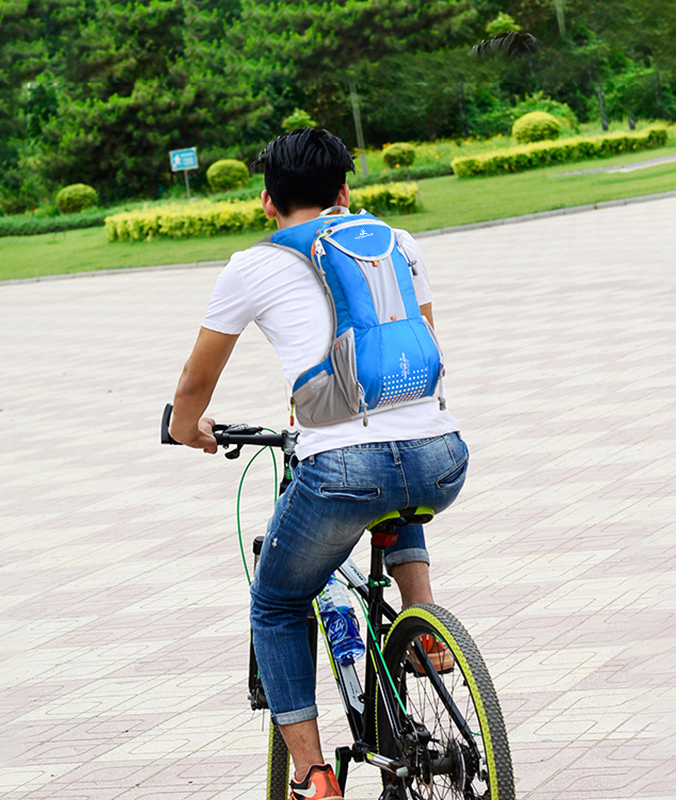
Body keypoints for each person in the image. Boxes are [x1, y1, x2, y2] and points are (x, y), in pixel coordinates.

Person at [168, 127, 468, 800]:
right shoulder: (396, 242)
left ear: (267, 202)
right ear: (345, 191)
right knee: (396, 484)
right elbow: (409, 349)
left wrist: (189, 430)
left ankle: (311, 774)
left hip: (340, 470)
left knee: (274, 603)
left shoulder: (253, 264)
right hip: (443, 455)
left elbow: (196, 384)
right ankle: (425, 626)